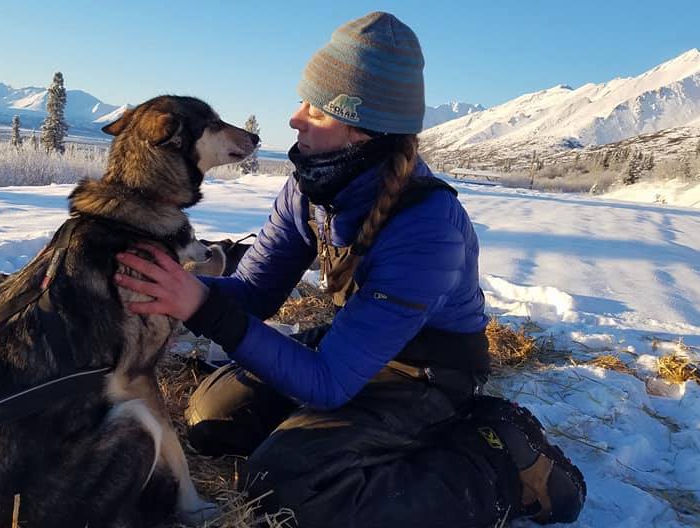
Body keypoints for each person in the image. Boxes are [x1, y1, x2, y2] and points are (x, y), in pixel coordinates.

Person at [114, 11, 586, 527]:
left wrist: (199, 304)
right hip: (353, 344)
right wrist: (154, 287)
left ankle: (496, 456)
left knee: (288, 488)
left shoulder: (428, 226)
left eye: (315, 109)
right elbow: (252, 293)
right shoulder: (311, 187)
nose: (294, 118)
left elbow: (329, 384)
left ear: (362, 130)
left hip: (426, 371)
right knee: (211, 418)